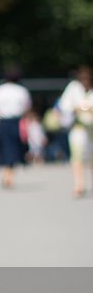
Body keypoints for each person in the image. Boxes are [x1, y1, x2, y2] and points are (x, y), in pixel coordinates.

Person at [0, 66, 31, 189]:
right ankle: (9, 175)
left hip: (3, 122)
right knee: (15, 148)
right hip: (17, 121)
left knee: (5, 147)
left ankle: (6, 174)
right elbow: (26, 110)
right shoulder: (22, 91)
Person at [58, 65, 93, 197]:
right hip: (78, 127)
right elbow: (64, 105)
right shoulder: (74, 88)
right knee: (78, 156)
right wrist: (77, 108)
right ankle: (79, 184)